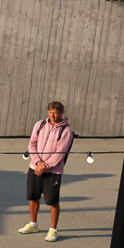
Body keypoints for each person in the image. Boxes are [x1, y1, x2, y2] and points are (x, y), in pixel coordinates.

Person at [21, 101, 75, 238]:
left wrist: (45, 166)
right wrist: (38, 162)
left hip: (53, 172)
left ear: (61, 114)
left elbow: (60, 153)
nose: (52, 115)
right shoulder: (40, 125)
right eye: (50, 112)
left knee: (53, 201)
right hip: (35, 167)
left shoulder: (66, 131)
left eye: (56, 113)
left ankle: (53, 230)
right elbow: (32, 144)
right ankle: (33, 224)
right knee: (33, 197)